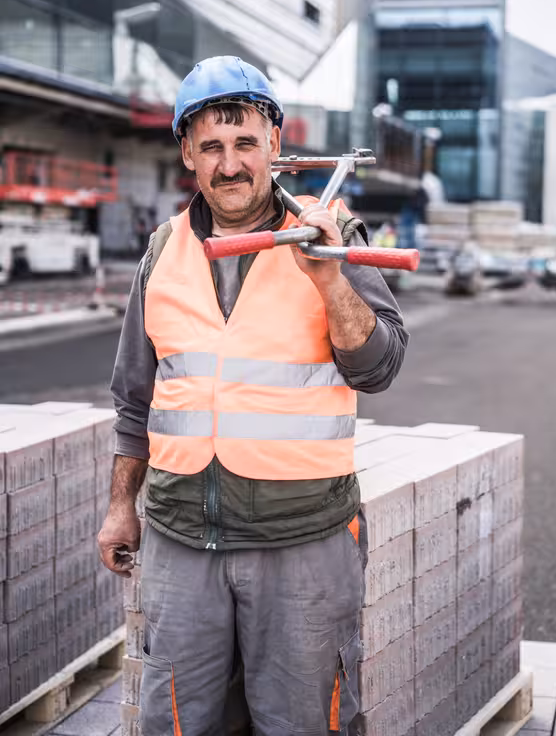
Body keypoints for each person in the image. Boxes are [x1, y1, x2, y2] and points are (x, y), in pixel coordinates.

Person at [98, 56, 409, 736]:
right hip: (180, 540)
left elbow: (379, 366)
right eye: (211, 146)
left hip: (301, 541)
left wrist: (329, 280)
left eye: (244, 143)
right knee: (177, 722)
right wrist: (122, 507)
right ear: (187, 152)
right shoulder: (162, 252)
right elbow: (135, 399)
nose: (230, 164)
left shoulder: (330, 235)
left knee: (301, 722)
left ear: (274, 142)